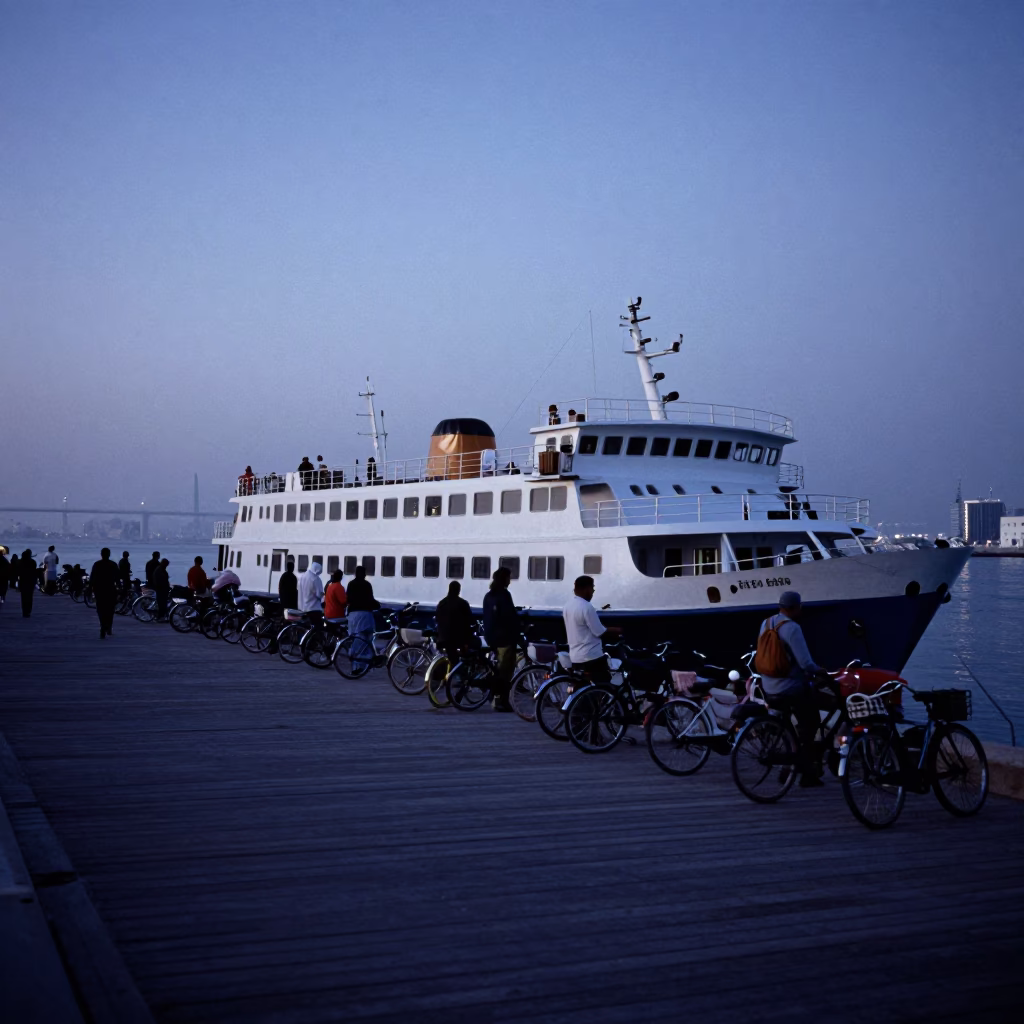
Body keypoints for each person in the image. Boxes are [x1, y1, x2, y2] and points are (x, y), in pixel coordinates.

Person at [757, 591, 830, 787]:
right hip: (789, 688)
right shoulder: (792, 628)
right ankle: (805, 771)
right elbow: (806, 664)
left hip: (768, 686)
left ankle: (792, 761)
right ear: (797, 607)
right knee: (811, 722)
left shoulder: (766, 623)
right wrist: (821, 671)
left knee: (794, 720)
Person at [562, 575, 622, 684]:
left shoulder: (568, 605)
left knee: (584, 689)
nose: (593, 591)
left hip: (575, 657)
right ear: (587, 589)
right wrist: (619, 630)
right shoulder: (587, 607)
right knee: (605, 686)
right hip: (591, 657)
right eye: (592, 588)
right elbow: (600, 632)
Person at [482, 567, 518, 711]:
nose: (510, 581)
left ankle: (493, 694)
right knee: (505, 671)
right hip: (504, 638)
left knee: (496, 668)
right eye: (509, 578)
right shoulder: (504, 595)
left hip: (490, 636)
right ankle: (501, 700)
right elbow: (509, 617)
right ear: (504, 579)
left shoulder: (489, 595)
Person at [435, 580, 475, 661]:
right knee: (475, 644)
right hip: (458, 639)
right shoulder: (463, 603)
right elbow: (471, 620)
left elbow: (437, 619)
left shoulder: (442, 603)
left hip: (442, 638)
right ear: (459, 590)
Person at [345, 565, 380, 651]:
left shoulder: (351, 584)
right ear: (364, 574)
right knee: (367, 638)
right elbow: (371, 599)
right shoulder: (367, 585)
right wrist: (378, 605)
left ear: (355, 574)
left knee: (355, 637)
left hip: (353, 614)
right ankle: (365, 657)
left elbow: (348, 599)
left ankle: (354, 654)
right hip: (366, 614)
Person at [90, 547, 121, 638]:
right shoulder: (113, 564)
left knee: (100, 609)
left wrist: (89, 588)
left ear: (101, 554)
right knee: (110, 610)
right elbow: (117, 579)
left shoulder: (97, 564)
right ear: (109, 554)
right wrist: (120, 588)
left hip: (99, 590)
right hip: (110, 589)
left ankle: (103, 625)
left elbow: (92, 577)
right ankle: (109, 627)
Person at [17, 550, 36, 617]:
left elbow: (18, 573)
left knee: (23, 597)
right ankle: (28, 611)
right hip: (30, 582)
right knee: (30, 597)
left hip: (23, 581)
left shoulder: (20, 562)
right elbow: (34, 572)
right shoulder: (32, 562)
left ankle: (24, 611)